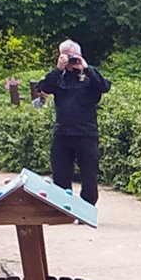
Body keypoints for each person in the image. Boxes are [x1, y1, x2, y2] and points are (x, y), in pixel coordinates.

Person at [36, 40, 110, 205]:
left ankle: (87, 208)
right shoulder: (59, 78)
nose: (70, 60)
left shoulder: (90, 77)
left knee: (89, 174)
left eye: (72, 56)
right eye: (65, 55)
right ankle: (63, 208)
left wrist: (86, 67)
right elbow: (44, 87)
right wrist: (58, 69)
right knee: (60, 173)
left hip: (87, 133)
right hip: (63, 133)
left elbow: (104, 86)